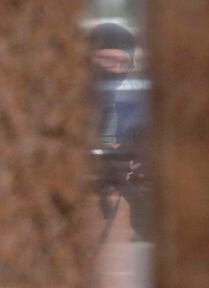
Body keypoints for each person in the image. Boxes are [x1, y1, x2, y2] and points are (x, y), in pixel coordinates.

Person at [88, 22, 151, 240]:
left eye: (124, 63)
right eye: (108, 60)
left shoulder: (133, 106)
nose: (116, 70)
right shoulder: (66, 107)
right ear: (89, 60)